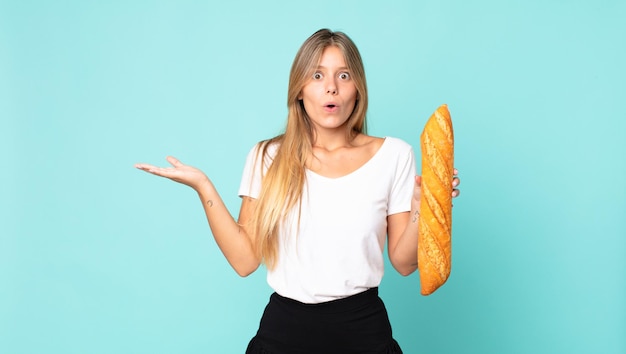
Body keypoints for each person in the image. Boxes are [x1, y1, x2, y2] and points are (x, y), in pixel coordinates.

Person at [135, 28, 460, 354]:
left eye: (343, 75)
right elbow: (245, 260)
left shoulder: (394, 155)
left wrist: (424, 205)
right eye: (317, 75)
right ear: (300, 89)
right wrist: (202, 186)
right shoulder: (267, 157)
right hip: (283, 334)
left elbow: (404, 263)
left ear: (358, 89)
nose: (331, 86)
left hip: (363, 332)